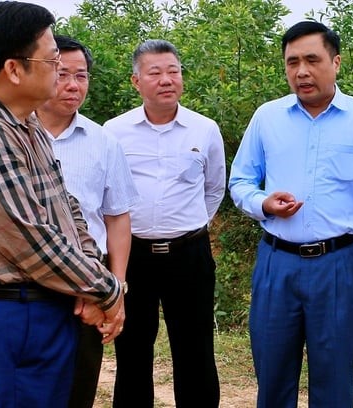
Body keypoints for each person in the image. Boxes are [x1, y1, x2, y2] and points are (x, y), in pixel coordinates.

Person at [229, 21, 353, 407]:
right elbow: (240, 182)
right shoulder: (267, 118)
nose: (302, 71)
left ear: (335, 62)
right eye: (292, 62)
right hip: (275, 263)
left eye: (312, 60)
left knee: (334, 380)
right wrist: (264, 203)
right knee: (272, 376)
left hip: (336, 265)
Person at [0, 2, 125, 408]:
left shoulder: (25, 122)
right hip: (6, 315)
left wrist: (89, 281)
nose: (60, 68)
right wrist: (106, 290)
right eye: (52, 57)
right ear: (14, 69)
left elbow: (67, 206)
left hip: (48, 305)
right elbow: (26, 235)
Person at [103, 39, 225, 408]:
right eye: (155, 73)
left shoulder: (204, 130)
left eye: (173, 71)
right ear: (136, 81)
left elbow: (215, 187)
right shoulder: (114, 130)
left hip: (189, 253)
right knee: (133, 348)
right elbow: (107, 192)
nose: (166, 79)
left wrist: (189, 226)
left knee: (196, 348)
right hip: (133, 255)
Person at [35, 34, 139, 408]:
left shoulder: (103, 141)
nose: (73, 85)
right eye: (63, 74)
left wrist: (116, 288)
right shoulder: (9, 135)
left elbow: (117, 218)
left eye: (81, 76)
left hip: (85, 291)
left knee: (78, 390)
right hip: (23, 289)